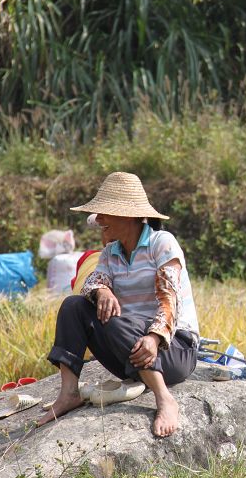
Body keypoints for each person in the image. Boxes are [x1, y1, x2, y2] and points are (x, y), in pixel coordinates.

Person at [38, 172, 200, 438]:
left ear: (127, 216)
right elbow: (92, 282)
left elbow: (170, 301)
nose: (99, 220)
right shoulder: (110, 253)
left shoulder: (162, 243)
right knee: (73, 306)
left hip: (172, 349)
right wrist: (102, 291)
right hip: (132, 348)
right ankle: (69, 393)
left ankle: (164, 399)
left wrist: (154, 338)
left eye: (104, 214)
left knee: (117, 323)